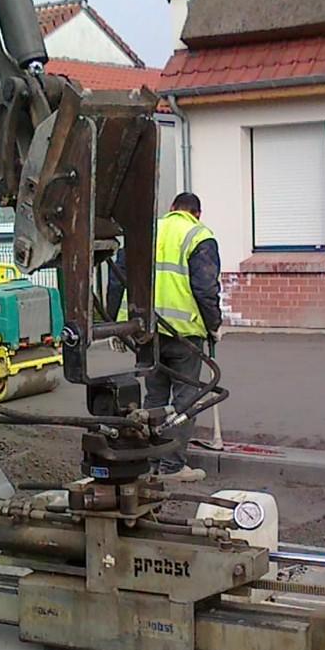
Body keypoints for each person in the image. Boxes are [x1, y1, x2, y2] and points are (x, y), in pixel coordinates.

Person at [146, 191, 221, 482]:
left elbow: (120, 274)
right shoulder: (199, 236)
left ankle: (150, 461)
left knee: (154, 397)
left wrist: (118, 322)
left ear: (172, 208)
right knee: (184, 400)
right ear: (197, 213)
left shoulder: (151, 230)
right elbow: (205, 288)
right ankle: (173, 466)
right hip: (184, 334)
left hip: (148, 331)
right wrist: (214, 324)